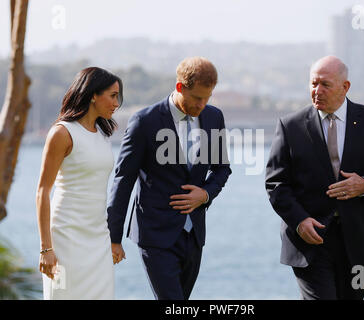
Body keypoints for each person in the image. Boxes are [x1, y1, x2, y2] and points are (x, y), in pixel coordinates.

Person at [265, 56, 364, 300]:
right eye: (313, 84)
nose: (317, 91)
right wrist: (300, 221)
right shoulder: (290, 125)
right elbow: (276, 183)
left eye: (325, 84)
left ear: (345, 87)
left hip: (359, 244)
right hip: (309, 243)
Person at [107, 56, 231, 300]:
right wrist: (114, 238)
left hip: (194, 234)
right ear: (179, 87)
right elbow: (123, 179)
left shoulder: (214, 117)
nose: (202, 104)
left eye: (208, 97)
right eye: (197, 98)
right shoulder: (144, 121)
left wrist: (205, 194)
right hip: (154, 233)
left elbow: (222, 169)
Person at [36, 67, 123, 299]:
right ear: (93, 94)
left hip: (98, 238)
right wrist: (46, 249)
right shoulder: (62, 133)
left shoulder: (103, 134)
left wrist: (113, 240)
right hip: (67, 237)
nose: (117, 103)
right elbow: (43, 192)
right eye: (113, 95)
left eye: (118, 97)